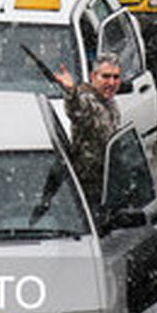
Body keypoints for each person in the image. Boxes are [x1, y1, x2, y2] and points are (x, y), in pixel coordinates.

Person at [54, 53, 122, 205]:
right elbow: (77, 110)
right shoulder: (87, 100)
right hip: (87, 189)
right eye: (106, 76)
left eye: (116, 77)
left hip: (107, 186)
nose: (111, 82)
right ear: (93, 77)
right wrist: (71, 92)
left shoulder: (111, 103)